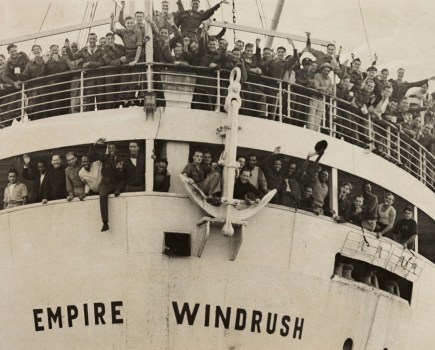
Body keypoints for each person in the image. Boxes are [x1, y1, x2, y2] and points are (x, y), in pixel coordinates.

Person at [90, 138, 125, 232]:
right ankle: (105, 222)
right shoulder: (104, 157)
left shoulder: (122, 159)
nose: (111, 150)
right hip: (105, 183)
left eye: (113, 148)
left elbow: (123, 177)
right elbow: (92, 154)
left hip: (116, 184)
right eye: (109, 148)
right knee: (102, 196)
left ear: (117, 150)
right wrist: (95, 144)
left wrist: (119, 188)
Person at [110, 12, 143, 106]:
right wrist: (112, 19)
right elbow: (113, 29)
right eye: (128, 23)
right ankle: (123, 100)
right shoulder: (123, 31)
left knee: (134, 78)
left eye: (131, 23)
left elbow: (139, 47)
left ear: (134, 23)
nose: (129, 25)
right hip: (127, 55)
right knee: (124, 77)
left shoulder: (138, 32)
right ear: (126, 23)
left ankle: (131, 99)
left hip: (135, 54)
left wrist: (136, 60)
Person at [65, 34, 105, 111]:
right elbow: (72, 57)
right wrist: (67, 48)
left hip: (99, 79)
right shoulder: (84, 50)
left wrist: (89, 63)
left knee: (101, 102)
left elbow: (102, 63)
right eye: (91, 39)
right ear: (88, 40)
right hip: (89, 80)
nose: (92, 40)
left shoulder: (101, 50)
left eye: (94, 39)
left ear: (96, 40)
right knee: (89, 103)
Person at [2, 44, 30, 120]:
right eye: (12, 51)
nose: (14, 53)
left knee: (29, 104)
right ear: (8, 52)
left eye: (15, 51)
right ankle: (8, 120)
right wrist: (13, 83)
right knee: (10, 104)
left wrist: (22, 76)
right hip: (18, 86)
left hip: (27, 81)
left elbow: (29, 65)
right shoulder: (9, 62)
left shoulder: (23, 55)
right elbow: (4, 76)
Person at [21, 44, 47, 120]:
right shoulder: (30, 64)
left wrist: (45, 63)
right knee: (36, 106)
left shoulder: (45, 60)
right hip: (35, 89)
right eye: (34, 49)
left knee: (45, 105)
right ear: (32, 51)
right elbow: (25, 75)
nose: (36, 50)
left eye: (38, 49)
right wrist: (18, 75)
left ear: (40, 50)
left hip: (45, 86)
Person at [307, 63, 333, 131]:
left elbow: (330, 89)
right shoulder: (317, 75)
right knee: (312, 113)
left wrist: (329, 91)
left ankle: (315, 130)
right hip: (315, 96)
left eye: (328, 71)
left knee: (319, 114)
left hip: (322, 98)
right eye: (325, 70)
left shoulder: (329, 79)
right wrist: (325, 88)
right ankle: (310, 129)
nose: (326, 72)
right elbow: (316, 86)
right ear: (322, 70)